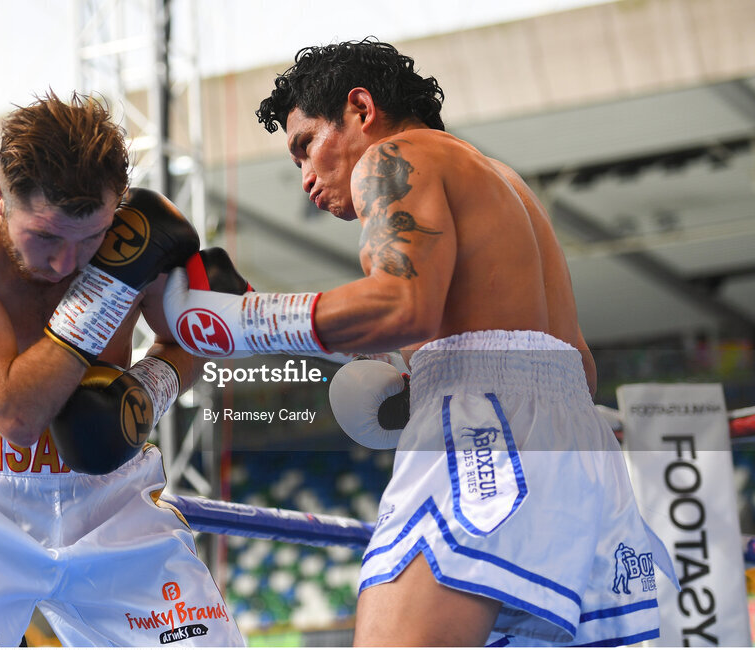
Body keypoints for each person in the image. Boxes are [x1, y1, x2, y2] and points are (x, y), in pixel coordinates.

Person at [162, 39, 676, 646]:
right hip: (578, 457)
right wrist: (410, 384)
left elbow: (401, 304)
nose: (304, 176)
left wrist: (241, 319)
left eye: (306, 146)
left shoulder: (391, 159)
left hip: (483, 440)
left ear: (360, 109)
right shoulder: (504, 182)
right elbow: (573, 368)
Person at [0, 90, 244, 647]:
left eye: (92, 239)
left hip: (110, 496)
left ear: (118, 207)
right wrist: (107, 283)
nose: (65, 264)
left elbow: (199, 336)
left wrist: (144, 394)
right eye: (46, 236)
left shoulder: (137, 229)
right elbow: (16, 413)